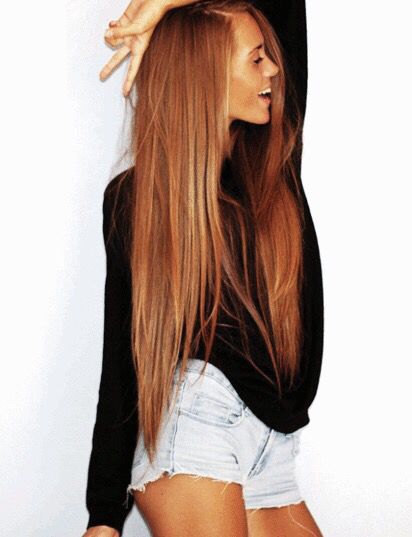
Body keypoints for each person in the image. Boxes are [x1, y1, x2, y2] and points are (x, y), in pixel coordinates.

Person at [83, 1, 324, 536]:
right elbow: (124, 356)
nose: (274, 69)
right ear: (209, 75)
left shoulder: (270, 166)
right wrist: (104, 515)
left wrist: (166, 1)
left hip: (272, 445)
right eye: (256, 59)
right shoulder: (135, 200)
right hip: (195, 427)